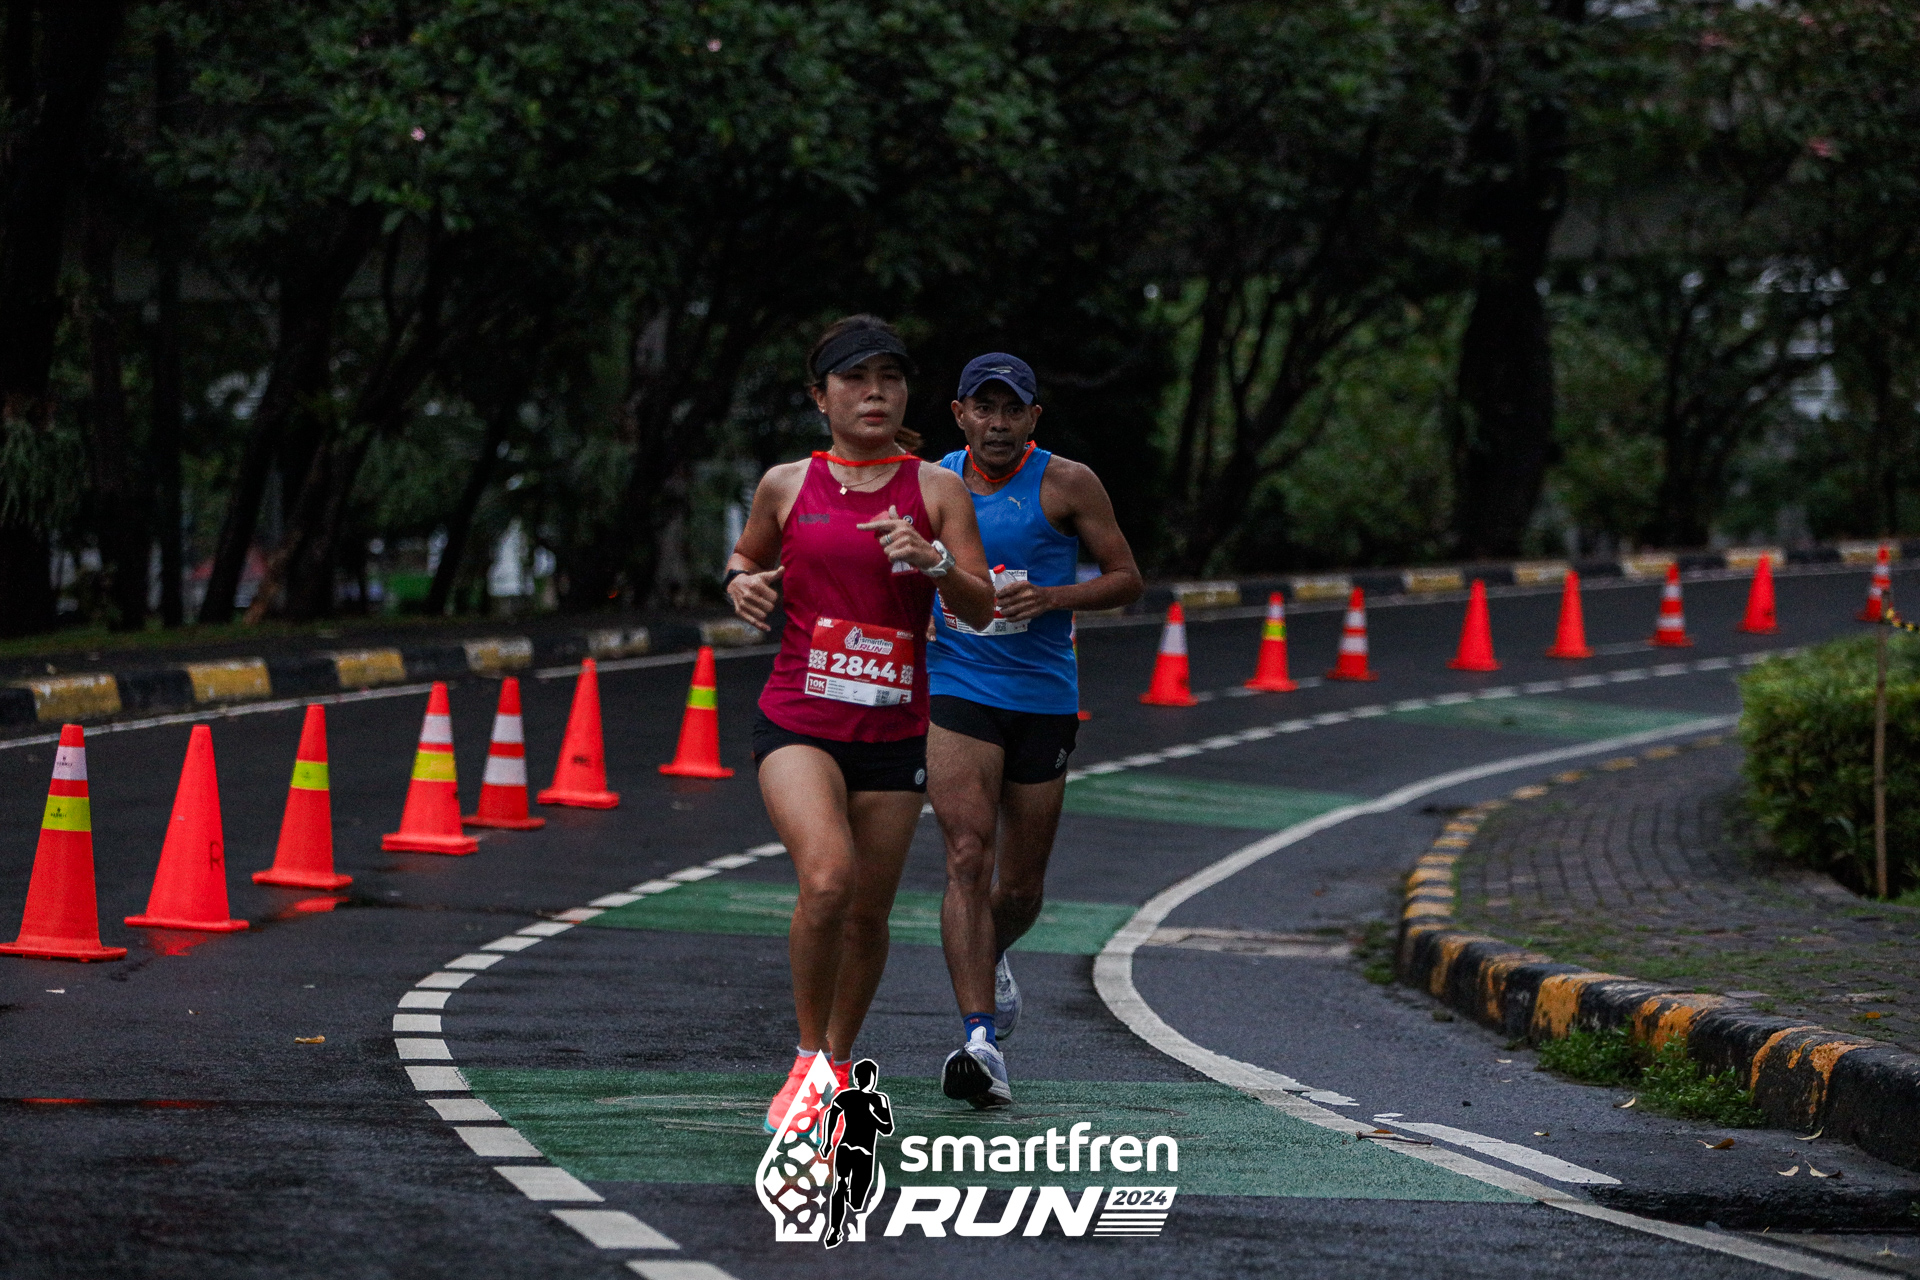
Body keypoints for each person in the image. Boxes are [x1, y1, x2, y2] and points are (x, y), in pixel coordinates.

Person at [725, 315, 996, 1134]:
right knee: (828, 880)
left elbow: (980, 607)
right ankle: (806, 1060)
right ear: (821, 397)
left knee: (869, 915)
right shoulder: (786, 484)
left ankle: (839, 1061)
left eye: (889, 378)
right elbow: (745, 558)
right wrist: (739, 584)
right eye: (854, 379)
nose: (874, 393)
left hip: (892, 729)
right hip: (798, 719)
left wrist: (933, 560)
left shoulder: (938, 490)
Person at [926, 352, 1143, 1108]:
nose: (997, 424)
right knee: (965, 854)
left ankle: (989, 954)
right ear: (960, 416)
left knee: (1018, 889)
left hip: (1042, 695)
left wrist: (1051, 597)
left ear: (1032, 418)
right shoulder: (932, 484)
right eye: (983, 409)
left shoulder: (1067, 483)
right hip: (956, 683)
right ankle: (980, 1041)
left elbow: (1127, 578)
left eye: (1011, 409)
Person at [818, 1058, 894, 1249]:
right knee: (840, 1186)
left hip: (863, 1151)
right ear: (859, 1078)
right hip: (849, 1147)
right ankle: (835, 1229)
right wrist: (827, 1141)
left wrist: (871, 1116)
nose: (868, 1080)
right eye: (865, 1076)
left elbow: (887, 1128)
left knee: (856, 1199)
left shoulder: (878, 1099)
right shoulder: (848, 1096)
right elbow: (831, 1114)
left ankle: (849, 1200)